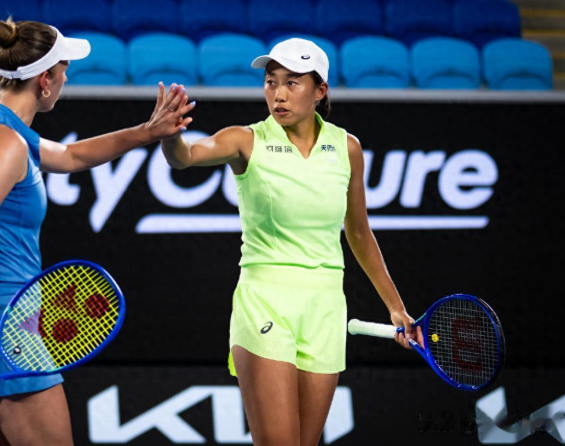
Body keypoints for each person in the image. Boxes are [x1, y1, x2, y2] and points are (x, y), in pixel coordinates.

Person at [0, 18, 189, 445]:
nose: (66, 79)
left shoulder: (5, 130)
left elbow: (73, 156)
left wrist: (147, 133)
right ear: (44, 80)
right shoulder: (4, 144)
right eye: (63, 70)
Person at [159, 38, 425, 445]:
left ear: (320, 91)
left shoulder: (347, 148)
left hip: (325, 307)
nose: (278, 93)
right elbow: (187, 156)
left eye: (292, 82)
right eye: (271, 81)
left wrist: (396, 307)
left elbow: (358, 232)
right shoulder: (245, 140)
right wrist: (170, 136)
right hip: (265, 302)